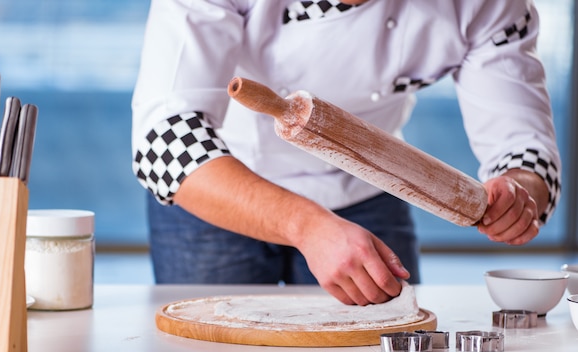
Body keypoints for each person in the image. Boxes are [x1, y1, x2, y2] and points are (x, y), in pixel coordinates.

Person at [131, 0, 561, 306]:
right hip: (221, 188)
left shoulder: (489, 5)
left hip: (366, 193)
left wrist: (519, 193)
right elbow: (163, 140)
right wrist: (308, 227)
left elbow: (522, 145)